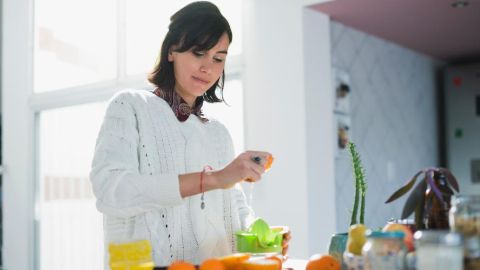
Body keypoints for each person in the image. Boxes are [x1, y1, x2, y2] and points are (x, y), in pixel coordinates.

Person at [90, 1, 290, 267]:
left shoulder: (219, 133)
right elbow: (110, 191)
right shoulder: (130, 106)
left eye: (218, 58)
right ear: (172, 49)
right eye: (198, 53)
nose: (208, 68)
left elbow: (234, 210)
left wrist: (260, 236)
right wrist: (214, 178)